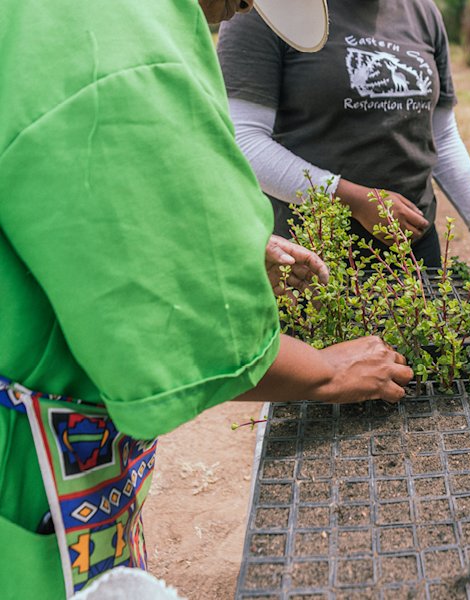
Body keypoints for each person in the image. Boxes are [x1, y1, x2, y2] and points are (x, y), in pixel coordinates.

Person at [0, 1, 412, 597]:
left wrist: (218, 242)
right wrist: (325, 370)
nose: (246, 8)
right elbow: (165, 310)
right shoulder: (113, 29)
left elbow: (90, 201)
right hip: (21, 462)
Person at [216, 0, 470, 268]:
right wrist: (352, 200)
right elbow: (244, 141)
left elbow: (442, 136)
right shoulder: (269, 10)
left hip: (414, 248)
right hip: (310, 254)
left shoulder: (422, 10)